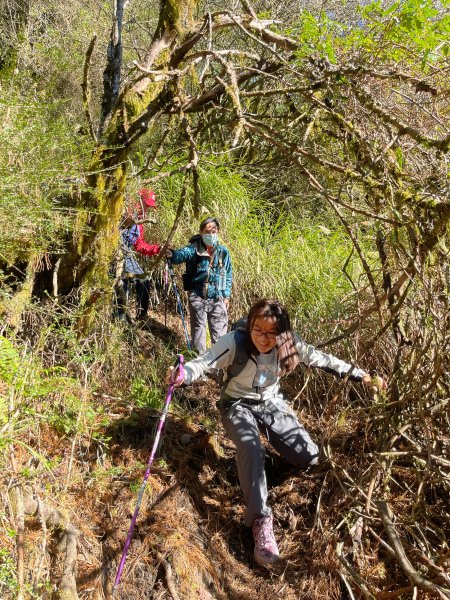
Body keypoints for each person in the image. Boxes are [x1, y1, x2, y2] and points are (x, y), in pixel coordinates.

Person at [168, 299, 387, 566]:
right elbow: (202, 363)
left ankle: (263, 469)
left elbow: (323, 360)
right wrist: (182, 375)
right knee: (251, 446)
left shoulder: (289, 345)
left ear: (281, 332)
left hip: (271, 404)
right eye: (257, 329)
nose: (262, 337)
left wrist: (362, 375)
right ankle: (259, 520)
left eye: (270, 332)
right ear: (249, 326)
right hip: (236, 405)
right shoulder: (234, 342)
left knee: (309, 458)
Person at [167, 217, 232, 354]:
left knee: (220, 336)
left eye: (214, 231)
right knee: (198, 335)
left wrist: (226, 297)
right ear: (201, 233)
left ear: (218, 232)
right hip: (197, 296)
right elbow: (181, 255)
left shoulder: (223, 252)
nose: (211, 234)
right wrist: (171, 254)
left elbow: (227, 274)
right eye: (207, 231)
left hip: (217, 297)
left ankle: (219, 369)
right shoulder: (194, 248)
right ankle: (199, 367)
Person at [116, 188, 162, 322]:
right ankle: (119, 319)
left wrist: (158, 249)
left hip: (127, 254)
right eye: (145, 204)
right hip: (116, 253)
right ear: (139, 200)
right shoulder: (124, 212)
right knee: (122, 283)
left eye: (149, 206)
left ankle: (142, 316)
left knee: (144, 280)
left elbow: (140, 245)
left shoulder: (140, 223)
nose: (146, 208)